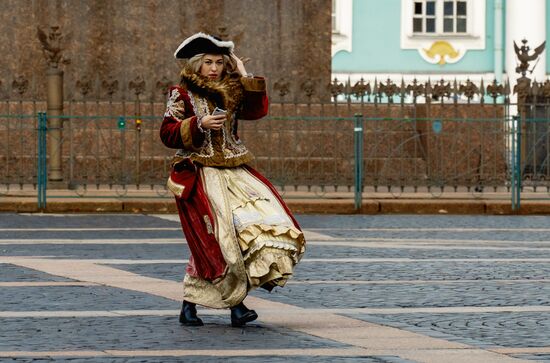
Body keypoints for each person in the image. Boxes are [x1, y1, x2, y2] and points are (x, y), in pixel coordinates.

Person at [159, 32, 306, 327]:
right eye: (208, 62)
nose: (214, 68)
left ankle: (193, 304)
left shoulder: (232, 88)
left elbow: (257, 111)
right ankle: (235, 306)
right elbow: (167, 132)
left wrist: (244, 75)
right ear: (197, 65)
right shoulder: (183, 93)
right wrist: (197, 124)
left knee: (260, 223)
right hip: (200, 172)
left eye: (219, 62)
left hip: (235, 170)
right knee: (219, 240)